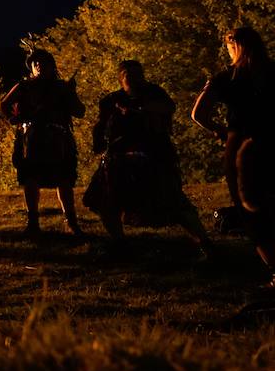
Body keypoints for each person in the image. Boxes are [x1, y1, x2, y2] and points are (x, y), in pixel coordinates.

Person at [83, 60, 213, 256]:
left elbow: (168, 108)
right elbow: (101, 126)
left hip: (155, 156)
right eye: (129, 74)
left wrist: (140, 110)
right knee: (106, 201)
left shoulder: (155, 93)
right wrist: (100, 146)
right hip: (118, 159)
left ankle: (205, 243)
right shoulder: (111, 100)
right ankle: (120, 242)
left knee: (174, 201)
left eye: (138, 73)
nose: (135, 78)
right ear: (121, 78)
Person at [193, 27, 275, 285]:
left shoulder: (226, 78)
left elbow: (198, 114)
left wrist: (218, 130)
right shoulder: (273, 72)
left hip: (241, 146)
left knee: (251, 208)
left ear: (233, 47)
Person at [0, 49, 87, 238]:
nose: (39, 65)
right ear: (32, 68)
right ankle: (33, 223)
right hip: (32, 139)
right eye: (35, 63)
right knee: (31, 179)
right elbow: (4, 105)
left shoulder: (62, 87)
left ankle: (71, 222)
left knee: (64, 180)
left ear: (51, 65)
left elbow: (79, 112)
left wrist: (71, 93)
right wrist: (16, 121)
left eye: (43, 62)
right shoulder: (24, 86)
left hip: (59, 139)